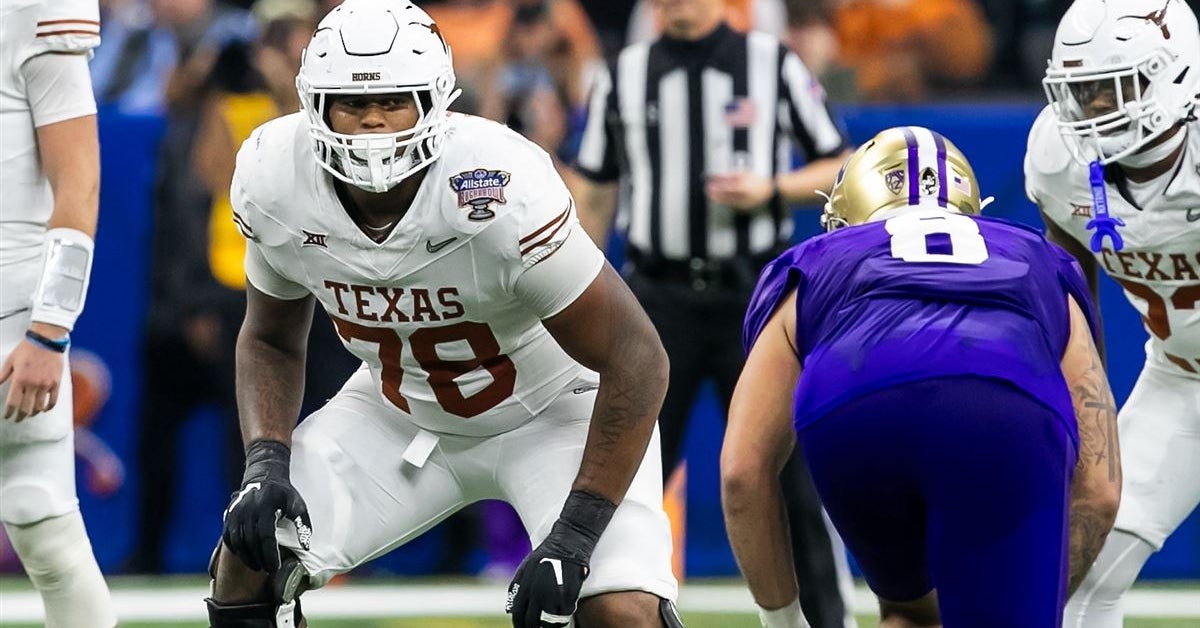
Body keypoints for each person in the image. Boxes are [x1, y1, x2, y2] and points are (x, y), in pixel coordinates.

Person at [204, 2, 682, 626]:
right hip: (398, 411)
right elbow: (268, 338)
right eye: (351, 103)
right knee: (247, 553)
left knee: (620, 610)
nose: (373, 121)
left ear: (435, 100)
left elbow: (638, 359)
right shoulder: (275, 177)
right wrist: (265, 464)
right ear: (313, 106)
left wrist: (576, 535)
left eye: (396, 100)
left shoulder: (495, 184)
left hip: (553, 410)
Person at [723, 126, 1123, 628]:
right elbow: (1101, 489)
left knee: (911, 613)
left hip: (853, 411)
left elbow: (742, 471)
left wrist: (783, 621)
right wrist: (1027, 593)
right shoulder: (1037, 257)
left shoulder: (811, 262)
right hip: (999, 405)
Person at [571, 0, 855, 625]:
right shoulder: (624, 72)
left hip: (754, 297)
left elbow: (842, 163)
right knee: (624, 474)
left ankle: (825, 620)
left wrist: (771, 190)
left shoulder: (771, 62)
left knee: (789, 478)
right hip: (656, 302)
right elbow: (593, 187)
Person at [1024, 0, 1200, 625]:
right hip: (1184, 379)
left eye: (1110, 89)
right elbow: (1070, 292)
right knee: (1081, 573)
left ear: (1173, 73)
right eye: (1081, 92)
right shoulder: (1060, 160)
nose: (1092, 110)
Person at [0, 0, 116, 626]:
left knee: (47, 528)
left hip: (11, 319)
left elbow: (80, 181)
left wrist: (49, 331)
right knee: (46, 531)